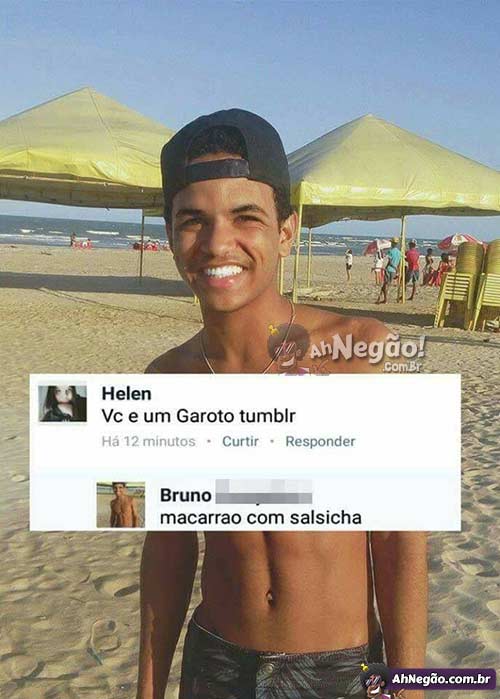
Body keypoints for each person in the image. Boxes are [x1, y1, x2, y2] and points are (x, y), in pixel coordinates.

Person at [136, 109, 427, 699]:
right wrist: (147, 690)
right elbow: (168, 548)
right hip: (216, 662)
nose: (218, 243)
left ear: (287, 231)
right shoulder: (167, 379)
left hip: (339, 669)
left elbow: (399, 540)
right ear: (169, 235)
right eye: (193, 221)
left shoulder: (367, 352)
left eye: (246, 217)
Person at [376, 238, 402, 304]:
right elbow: (399, 263)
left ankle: (385, 300)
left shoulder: (390, 251)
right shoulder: (399, 252)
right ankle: (382, 299)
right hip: (394, 271)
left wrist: (387, 267)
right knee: (387, 284)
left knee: (386, 285)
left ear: (392, 243)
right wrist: (397, 270)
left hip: (389, 269)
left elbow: (389, 262)